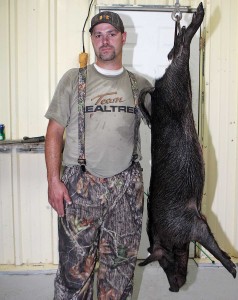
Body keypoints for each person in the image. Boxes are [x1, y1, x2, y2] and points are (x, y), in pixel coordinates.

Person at [45, 11, 152, 300]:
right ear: (92, 39)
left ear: (123, 38)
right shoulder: (73, 80)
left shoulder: (140, 86)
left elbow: (169, 132)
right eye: (98, 34)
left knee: (119, 275)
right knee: (73, 274)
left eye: (111, 34)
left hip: (126, 192)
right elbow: (53, 133)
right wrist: (54, 181)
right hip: (79, 189)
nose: (105, 41)